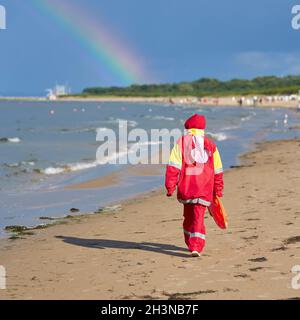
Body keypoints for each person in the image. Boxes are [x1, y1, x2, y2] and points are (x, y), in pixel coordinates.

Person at [165, 114, 224, 257]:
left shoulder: (181, 142)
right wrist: (218, 189)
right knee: (198, 217)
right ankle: (195, 244)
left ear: (188, 128)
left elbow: (173, 166)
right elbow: (218, 170)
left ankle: (192, 243)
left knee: (189, 217)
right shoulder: (210, 145)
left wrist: (170, 186)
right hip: (205, 188)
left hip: (187, 187)